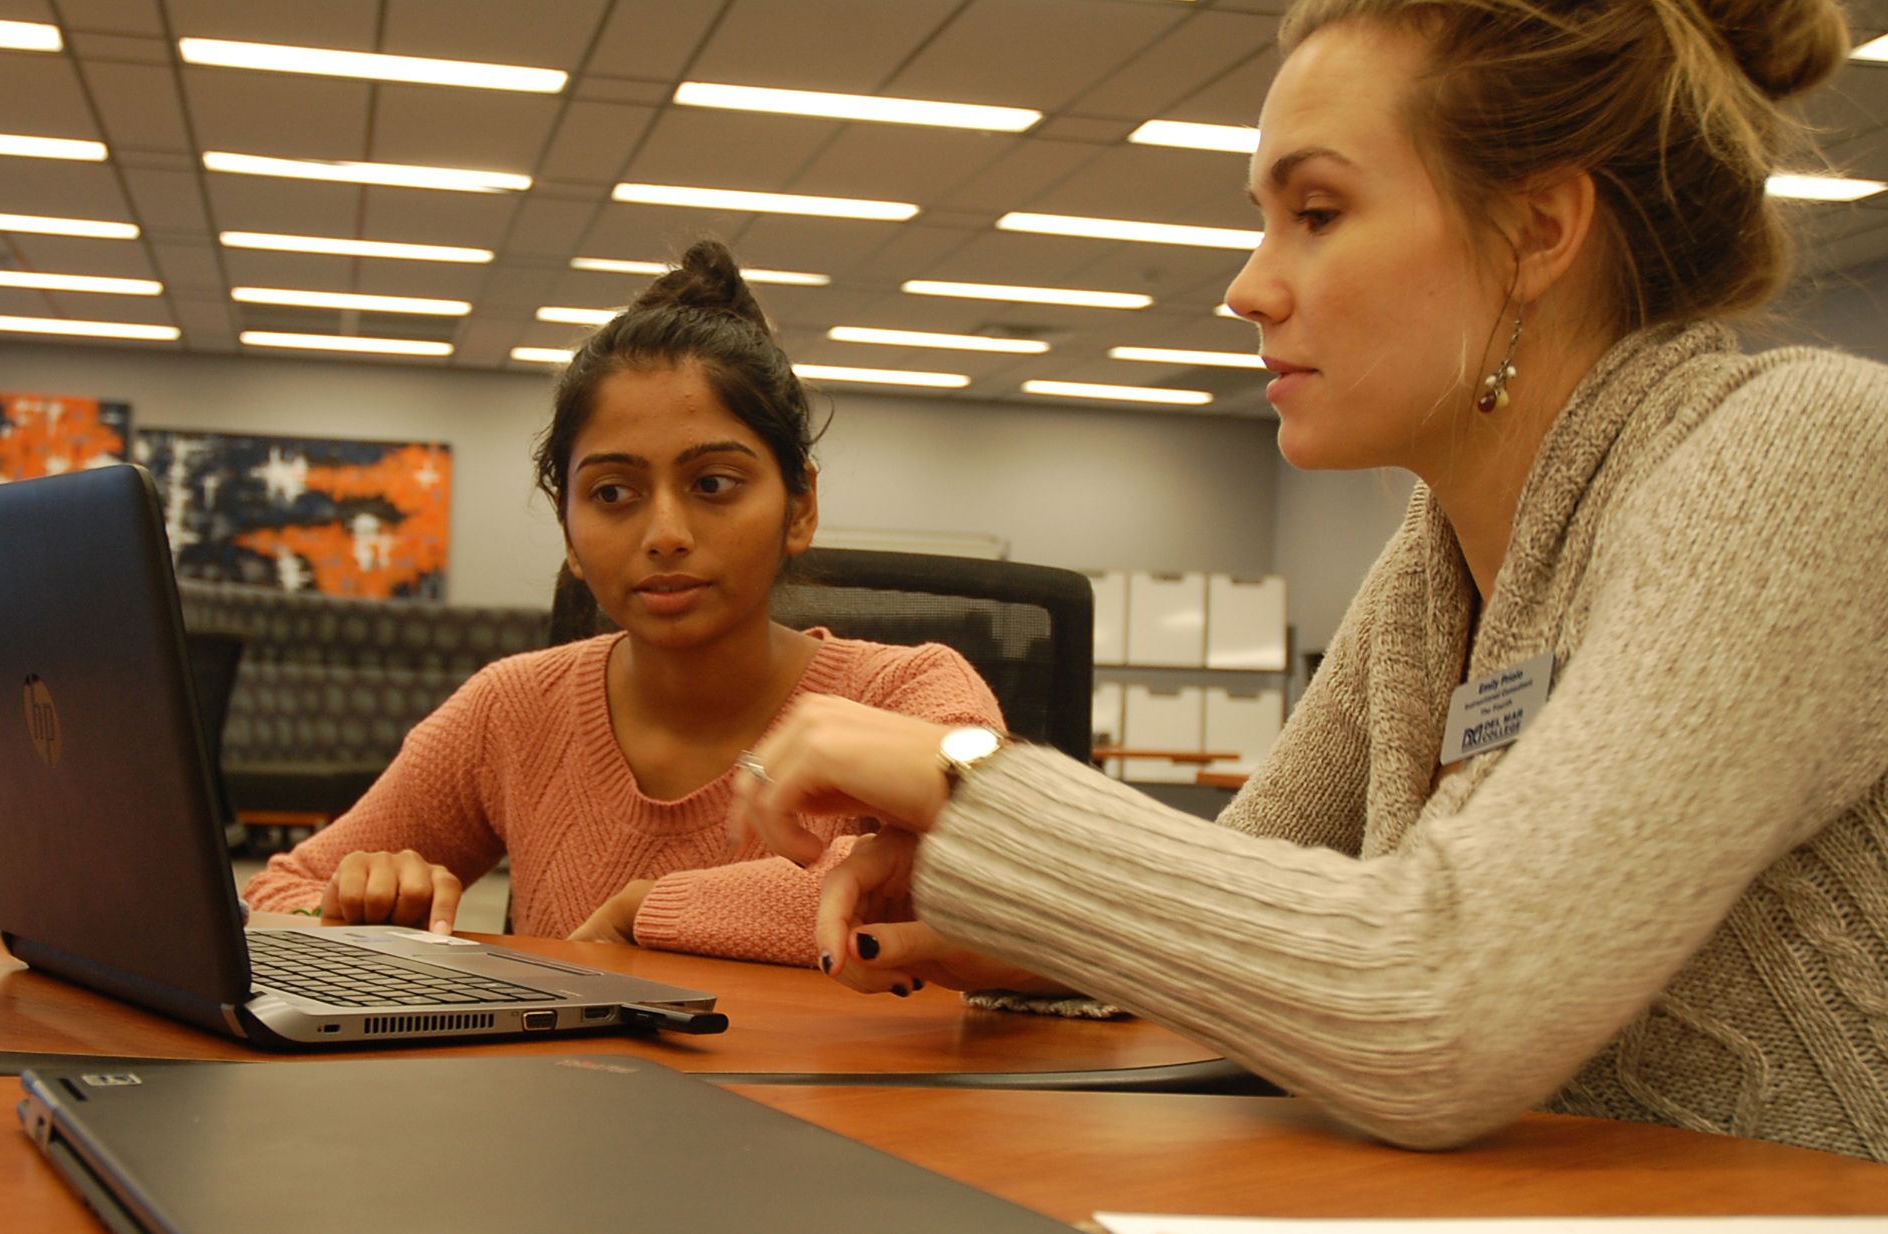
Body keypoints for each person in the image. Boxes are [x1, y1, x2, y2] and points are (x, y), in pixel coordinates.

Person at [730, 0, 1888, 1160]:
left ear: (1537, 230)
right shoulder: (1436, 562)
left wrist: (968, 780)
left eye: (1316, 212)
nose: (1248, 286)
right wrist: (1035, 917)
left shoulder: (1801, 454)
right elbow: (1261, 875)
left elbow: (1440, 1005)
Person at [242, 240, 1003, 967]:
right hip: (574, 1100)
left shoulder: (910, 695)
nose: (664, 534)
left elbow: (993, 881)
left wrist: (652, 913)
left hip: (841, 1100)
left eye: (713, 484)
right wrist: (351, 910)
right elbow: (277, 894)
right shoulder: (512, 711)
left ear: (799, 507)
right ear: (569, 531)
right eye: (612, 494)